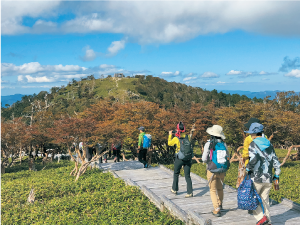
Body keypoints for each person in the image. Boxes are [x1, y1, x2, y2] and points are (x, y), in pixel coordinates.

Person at [245, 123, 280, 225]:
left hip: (256, 177)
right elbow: (276, 161)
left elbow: (254, 159)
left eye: (251, 133)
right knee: (265, 200)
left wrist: (248, 169)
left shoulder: (253, 144)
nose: (250, 135)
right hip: (268, 177)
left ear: (255, 133)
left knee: (252, 199)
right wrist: (277, 174)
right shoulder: (270, 144)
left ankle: (261, 218)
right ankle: (268, 221)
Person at [202, 125, 229, 217]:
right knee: (220, 188)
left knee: (212, 190)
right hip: (222, 170)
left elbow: (204, 158)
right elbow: (227, 156)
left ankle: (216, 209)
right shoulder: (223, 144)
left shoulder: (209, 144)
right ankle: (220, 204)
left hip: (212, 170)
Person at [168, 122, 195, 198]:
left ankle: (174, 189)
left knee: (176, 173)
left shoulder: (176, 138)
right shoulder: (187, 137)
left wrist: (170, 135)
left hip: (179, 158)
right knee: (187, 175)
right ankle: (190, 192)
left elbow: (169, 143)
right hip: (188, 158)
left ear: (177, 129)